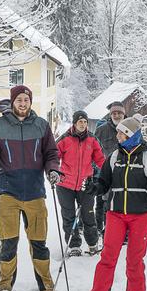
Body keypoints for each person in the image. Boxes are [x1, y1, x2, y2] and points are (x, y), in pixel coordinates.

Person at [0, 85, 61, 291]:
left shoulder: (41, 126)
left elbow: (51, 154)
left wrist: (53, 170)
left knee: (39, 242)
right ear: (13, 102)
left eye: (26, 100)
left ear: (30, 102)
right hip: (7, 191)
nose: (22, 104)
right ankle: (5, 284)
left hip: (35, 191)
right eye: (19, 100)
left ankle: (46, 285)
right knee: (8, 242)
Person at [83, 114, 147, 291]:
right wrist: (94, 187)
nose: (117, 135)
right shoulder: (113, 157)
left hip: (141, 215)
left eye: (121, 132)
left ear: (130, 135)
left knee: (135, 258)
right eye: (118, 131)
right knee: (108, 257)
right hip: (116, 213)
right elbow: (104, 183)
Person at [56, 110, 105, 257]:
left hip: (85, 184)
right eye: (80, 122)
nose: (83, 125)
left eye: (85, 122)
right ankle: (74, 245)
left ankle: (92, 243)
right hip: (65, 184)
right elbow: (53, 157)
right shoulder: (64, 139)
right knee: (69, 215)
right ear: (74, 123)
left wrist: (110, 171)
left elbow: (100, 159)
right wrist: (52, 171)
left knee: (88, 215)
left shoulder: (92, 139)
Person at [93, 101, 126, 234]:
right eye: (114, 113)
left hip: (125, 172)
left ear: (123, 114)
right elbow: (93, 150)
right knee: (101, 202)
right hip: (104, 172)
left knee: (120, 203)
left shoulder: (130, 128)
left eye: (119, 113)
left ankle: (118, 231)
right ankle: (100, 228)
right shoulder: (101, 130)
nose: (116, 115)